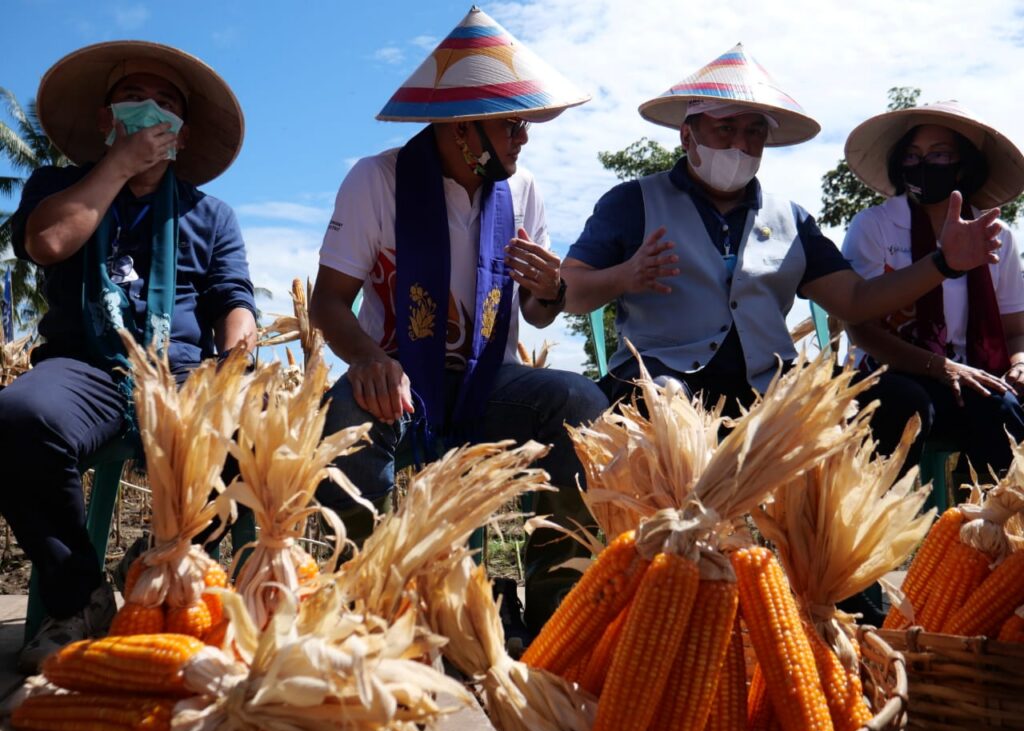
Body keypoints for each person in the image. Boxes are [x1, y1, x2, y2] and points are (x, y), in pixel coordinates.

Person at [310, 7, 608, 637]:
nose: (523, 139)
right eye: (511, 124)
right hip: (396, 379)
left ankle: (554, 608)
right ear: (460, 127)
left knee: (581, 402)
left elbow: (535, 314)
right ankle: (362, 598)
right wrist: (369, 359)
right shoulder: (377, 180)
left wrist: (551, 290)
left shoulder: (522, 190)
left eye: (524, 125)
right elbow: (328, 302)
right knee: (348, 418)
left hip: (488, 384)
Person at [562, 43, 1002, 442]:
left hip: (769, 385)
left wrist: (943, 263)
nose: (741, 144)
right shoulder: (633, 202)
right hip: (662, 378)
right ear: (687, 135)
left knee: (896, 402)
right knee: (666, 403)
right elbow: (570, 292)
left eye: (754, 131)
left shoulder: (791, 220)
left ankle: (838, 509)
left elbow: (854, 301)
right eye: (725, 128)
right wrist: (624, 276)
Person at [1, 41, 257, 670]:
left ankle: (163, 567)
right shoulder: (58, 186)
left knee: (255, 432)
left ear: (183, 134)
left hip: (182, 374)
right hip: (85, 367)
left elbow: (234, 299)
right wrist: (117, 166)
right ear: (105, 119)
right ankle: (78, 597)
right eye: (133, 99)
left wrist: (237, 361)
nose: (149, 110)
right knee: (18, 417)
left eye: (165, 103)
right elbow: (47, 243)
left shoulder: (210, 214)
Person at [842, 101, 1024, 475]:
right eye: (912, 155)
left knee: (1003, 409)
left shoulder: (997, 236)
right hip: (888, 373)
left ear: (964, 166)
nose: (923, 164)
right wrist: (938, 366)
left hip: (970, 376)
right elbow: (861, 329)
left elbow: (1015, 331)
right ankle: (881, 507)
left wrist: (1020, 364)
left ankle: (997, 509)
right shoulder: (874, 226)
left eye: (939, 154)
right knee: (906, 403)